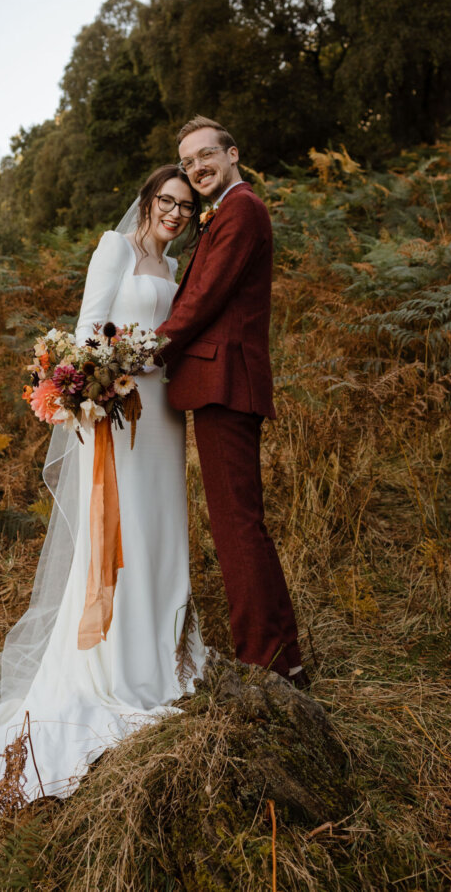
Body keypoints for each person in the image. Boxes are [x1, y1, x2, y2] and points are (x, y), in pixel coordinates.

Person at [0, 165, 207, 810]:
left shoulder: (176, 266)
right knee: (122, 528)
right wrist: (96, 390)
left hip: (163, 411)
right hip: (118, 414)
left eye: (185, 206)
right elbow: (87, 329)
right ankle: (117, 663)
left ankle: (165, 648)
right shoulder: (116, 248)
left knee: (162, 524)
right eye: (167, 200)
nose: (175, 213)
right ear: (147, 200)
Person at [156, 116, 308, 689]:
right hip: (223, 382)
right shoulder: (225, 211)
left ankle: (261, 661)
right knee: (244, 525)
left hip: (227, 383)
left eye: (205, 155)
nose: (196, 167)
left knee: (236, 528)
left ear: (233, 154)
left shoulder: (241, 209)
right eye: (188, 161)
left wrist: (147, 352)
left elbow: (203, 297)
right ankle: (283, 659)